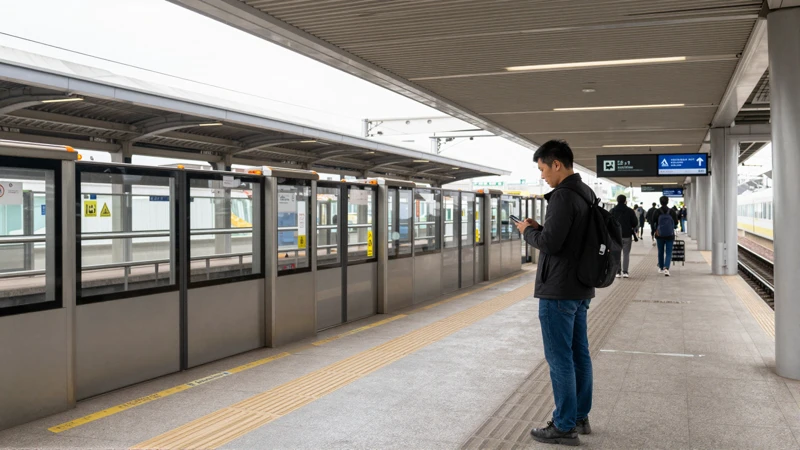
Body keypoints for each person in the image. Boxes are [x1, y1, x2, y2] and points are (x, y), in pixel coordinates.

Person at [515, 140, 593, 446]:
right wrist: (540, 228)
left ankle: (563, 425)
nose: (543, 175)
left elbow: (550, 245)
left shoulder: (562, 196)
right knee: (579, 354)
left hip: (559, 290)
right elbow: (564, 237)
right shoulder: (585, 193)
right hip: (580, 287)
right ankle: (579, 417)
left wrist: (527, 232)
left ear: (556, 164)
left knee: (559, 358)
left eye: (543, 168)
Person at [611, 195, 639, 278]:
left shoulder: (612, 211)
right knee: (626, 254)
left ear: (617, 200)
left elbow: (608, 223)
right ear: (625, 201)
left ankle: (618, 272)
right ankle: (625, 272)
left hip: (616, 235)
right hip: (627, 235)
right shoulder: (630, 211)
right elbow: (635, 223)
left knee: (617, 253)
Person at [654, 196, 679, 276]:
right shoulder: (672, 211)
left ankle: (661, 267)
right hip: (670, 235)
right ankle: (666, 268)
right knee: (668, 252)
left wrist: (655, 230)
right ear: (667, 202)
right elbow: (676, 222)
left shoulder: (657, 211)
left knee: (660, 252)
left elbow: (652, 222)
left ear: (660, 202)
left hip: (659, 235)